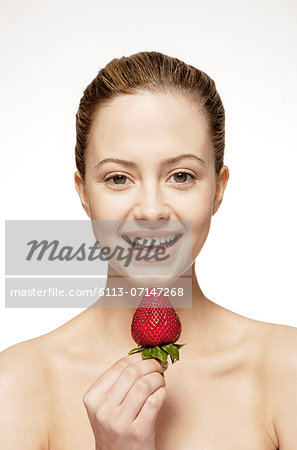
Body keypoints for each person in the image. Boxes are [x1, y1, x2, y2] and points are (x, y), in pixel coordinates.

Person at [0, 50, 296, 450]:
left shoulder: (286, 370)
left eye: (181, 175)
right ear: (84, 192)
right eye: (119, 178)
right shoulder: (18, 384)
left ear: (218, 188)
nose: (152, 210)